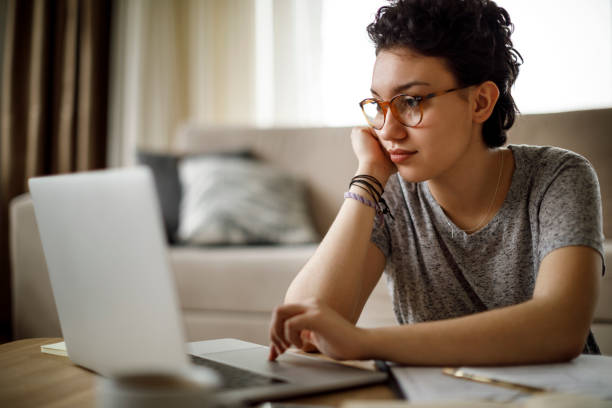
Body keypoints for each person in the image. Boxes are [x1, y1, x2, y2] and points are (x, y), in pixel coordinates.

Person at [268, 0, 605, 365]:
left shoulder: (559, 178)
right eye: (380, 105)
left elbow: (559, 327)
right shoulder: (389, 194)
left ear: (480, 102)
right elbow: (303, 329)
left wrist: (365, 342)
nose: (388, 129)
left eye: (411, 101)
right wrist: (368, 177)